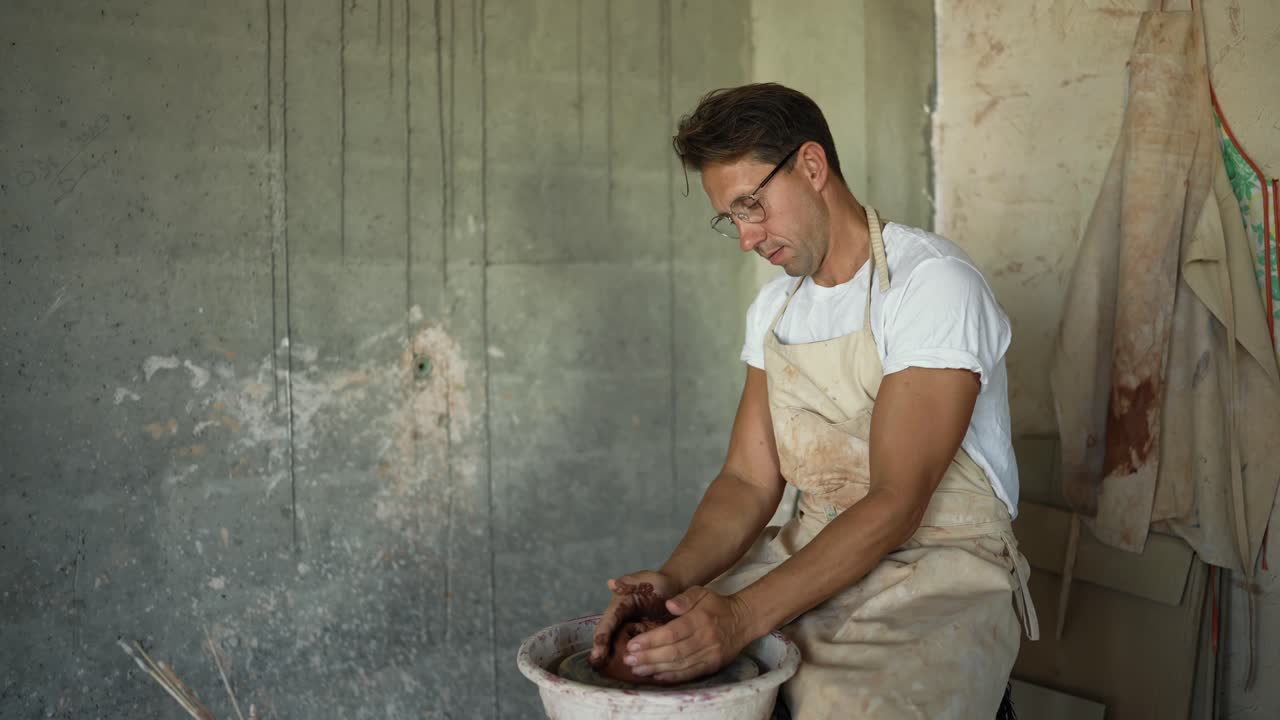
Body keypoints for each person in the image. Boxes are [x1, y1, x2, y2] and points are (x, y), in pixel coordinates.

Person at [589, 83, 1039, 719]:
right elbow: (747, 480)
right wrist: (673, 579)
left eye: (753, 206)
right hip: (813, 548)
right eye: (732, 218)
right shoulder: (776, 311)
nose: (747, 237)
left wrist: (741, 615)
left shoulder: (931, 286)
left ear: (811, 166)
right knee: (647, 667)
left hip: (939, 566)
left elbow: (895, 504)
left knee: (843, 705)